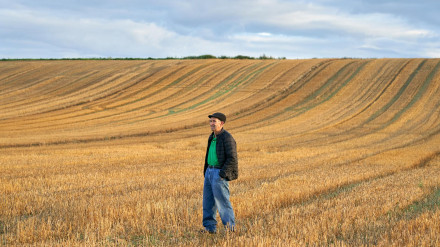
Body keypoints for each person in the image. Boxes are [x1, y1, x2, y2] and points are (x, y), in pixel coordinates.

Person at [202, 112, 238, 234]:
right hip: (209, 172)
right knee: (208, 202)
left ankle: (230, 229)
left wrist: (222, 174)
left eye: (214, 121)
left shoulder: (227, 138)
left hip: (219, 172)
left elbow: (232, 158)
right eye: (210, 121)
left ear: (221, 123)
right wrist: (206, 171)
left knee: (223, 202)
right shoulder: (212, 136)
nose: (211, 123)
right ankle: (209, 228)